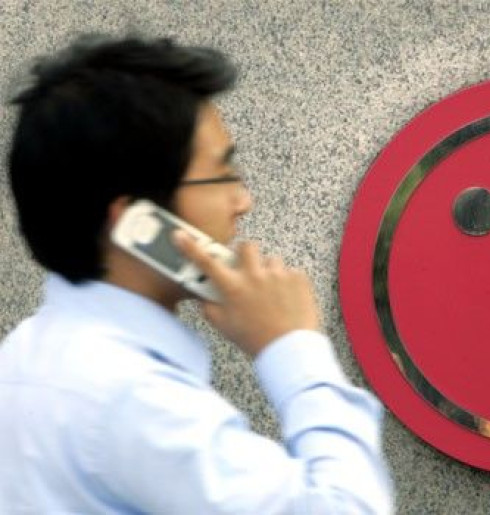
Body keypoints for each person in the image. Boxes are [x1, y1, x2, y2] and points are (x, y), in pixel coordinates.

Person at [0, 34, 393, 514]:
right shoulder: (134, 400)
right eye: (223, 175)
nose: (243, 201)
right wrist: (294, 348)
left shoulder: (25, 355)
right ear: (139, 225)